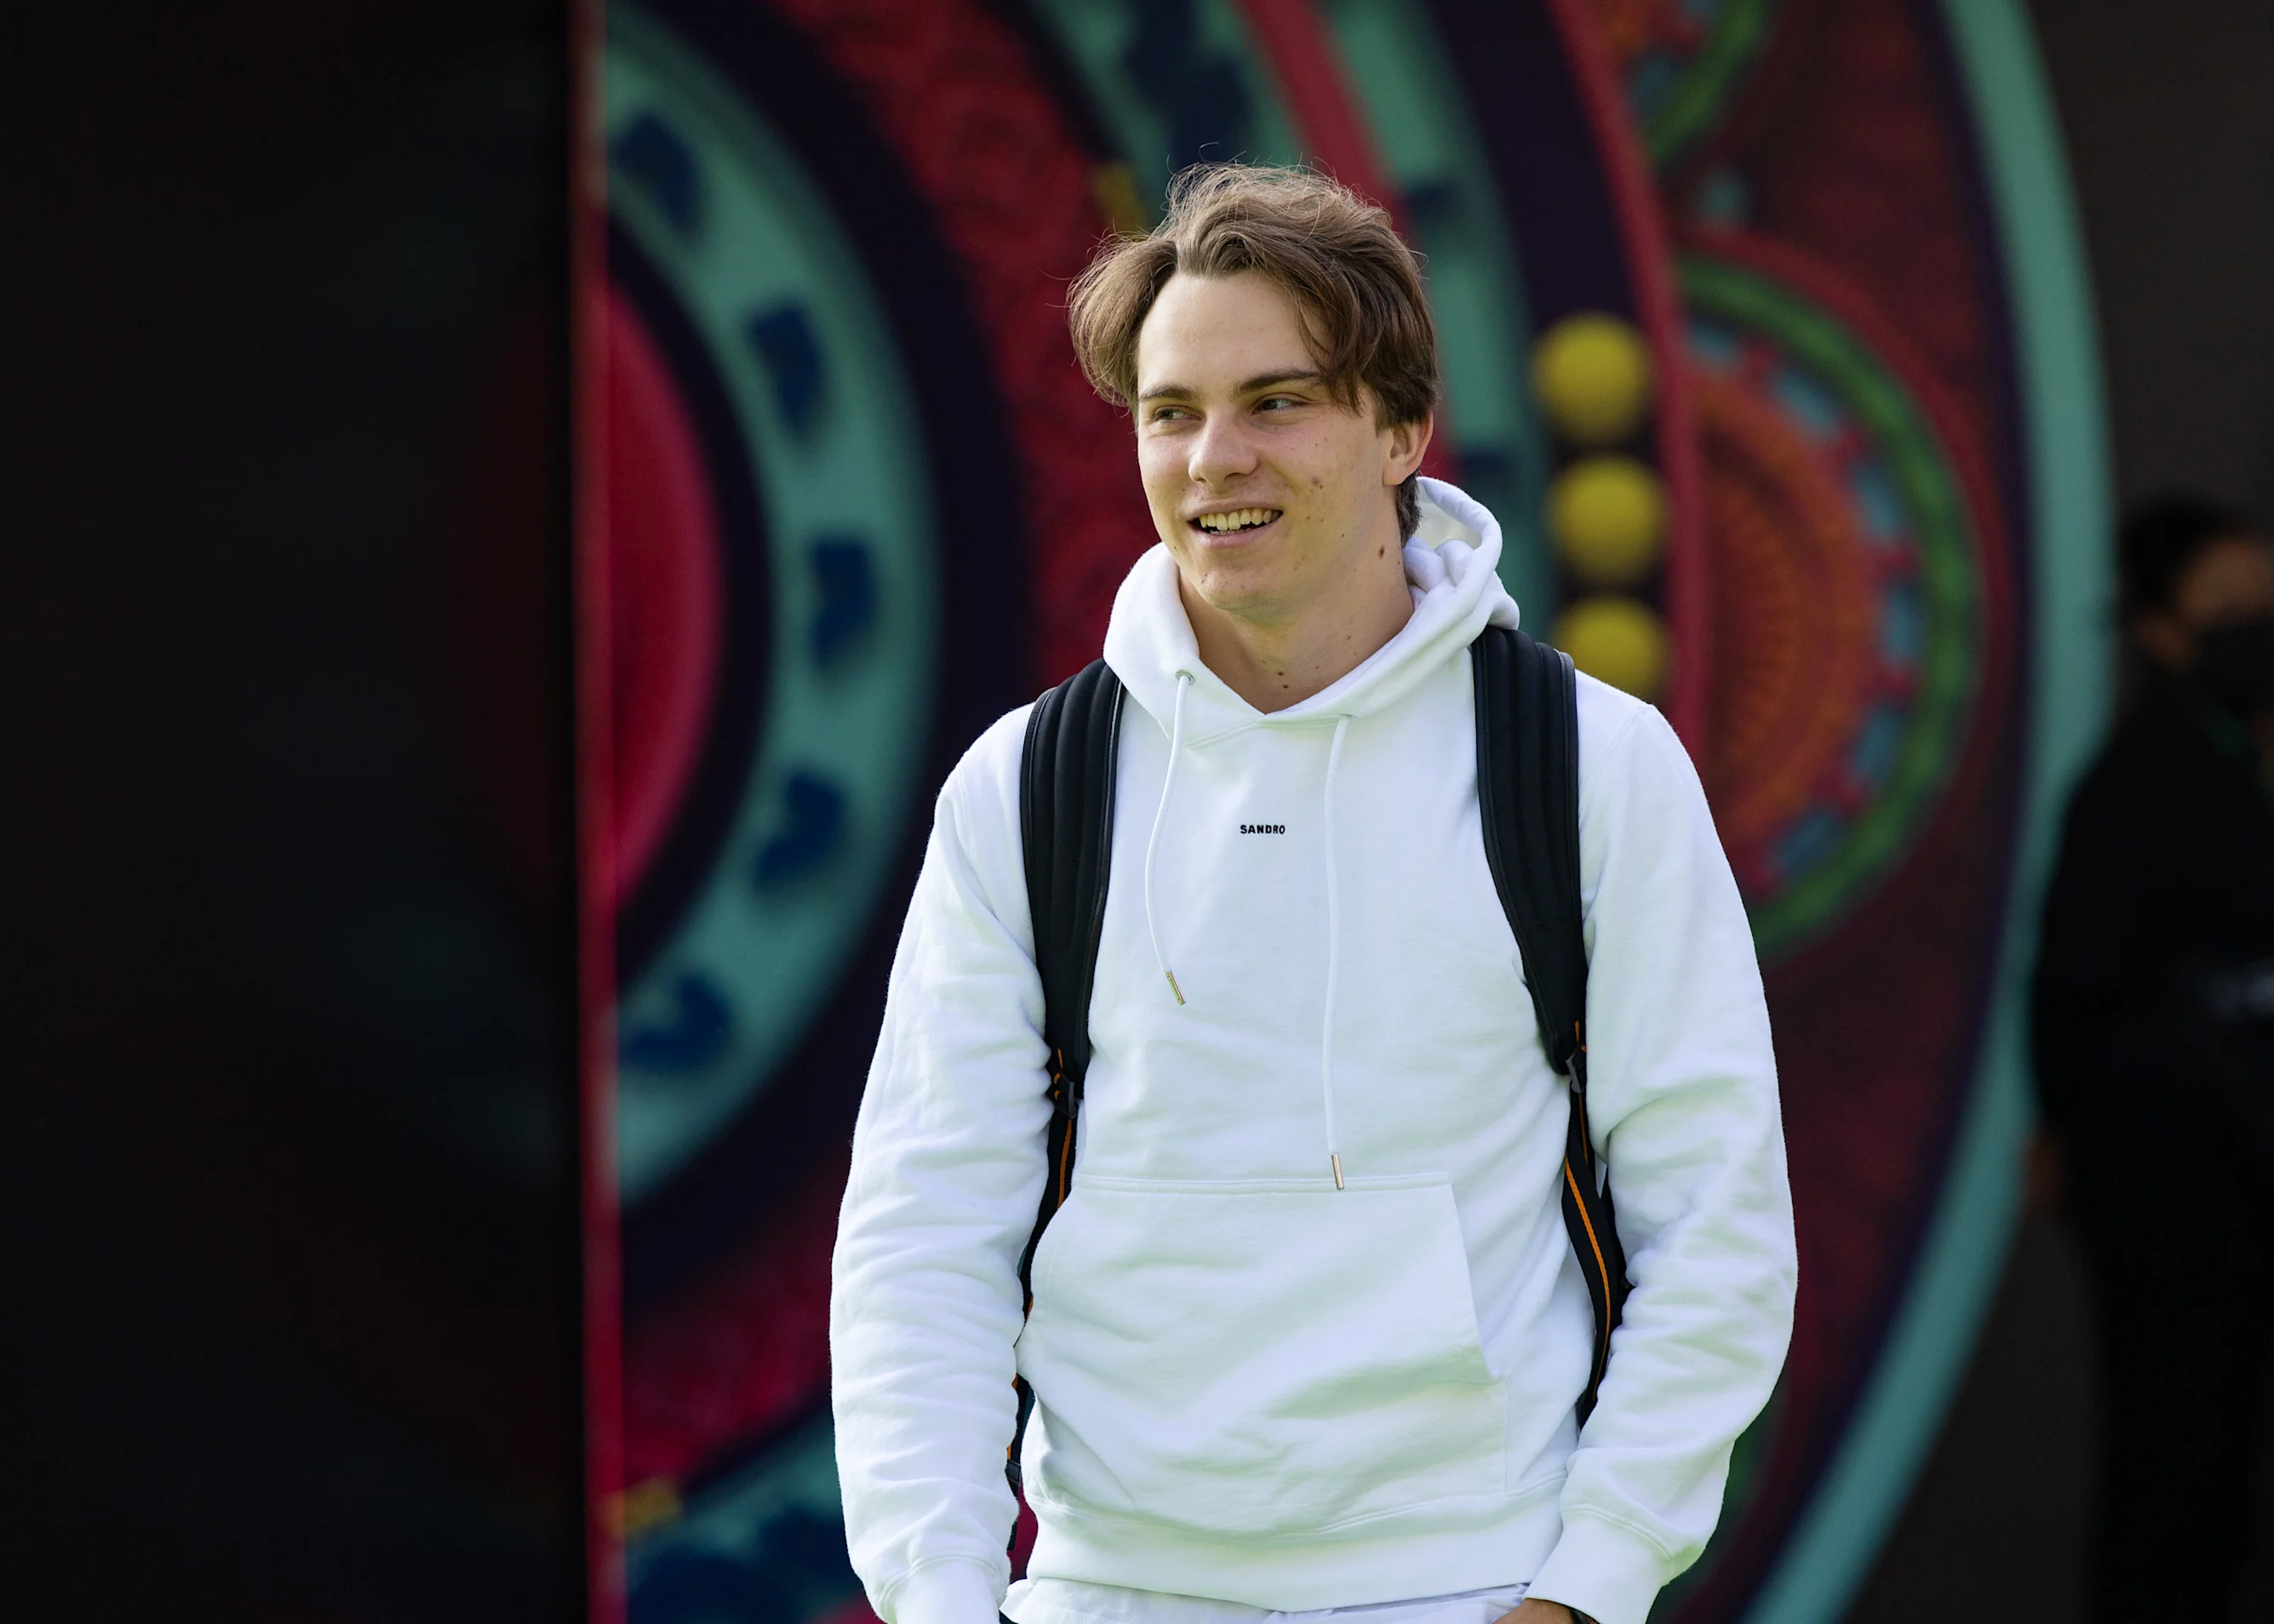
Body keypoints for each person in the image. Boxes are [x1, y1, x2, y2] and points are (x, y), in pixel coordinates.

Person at [826, 165, 1796, 1624]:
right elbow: (924, 1237)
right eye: (1171, 413)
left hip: (1473, 1585)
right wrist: (943, 1600)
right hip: (1108, 1589)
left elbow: (1717, 1220)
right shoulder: (1025, 788)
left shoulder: (1588, 765)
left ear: (1401, 429)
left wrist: (1588, 1586)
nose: (1215, 458)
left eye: (1276, 402)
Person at [2033, 495, 2274, 1624]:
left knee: (2226, 1477)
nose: (2254, 624)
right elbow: (2073, 988)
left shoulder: (2245, 767)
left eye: (2264, 600)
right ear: (2160, 628)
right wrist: (2079, 1138)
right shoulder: (2135, 784)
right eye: (2223, 603)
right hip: (2170, 1192)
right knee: (2172, 1462)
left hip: (2246, 1177)